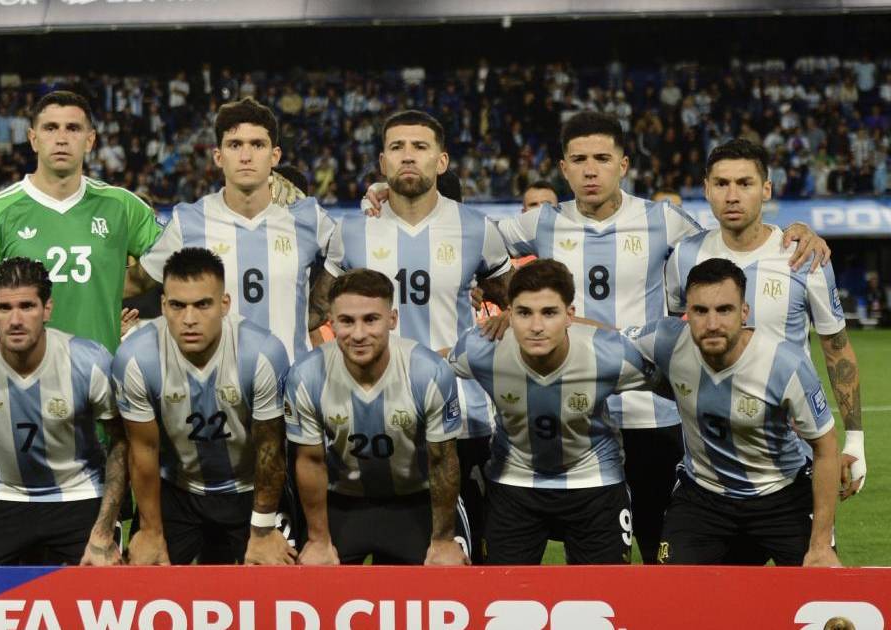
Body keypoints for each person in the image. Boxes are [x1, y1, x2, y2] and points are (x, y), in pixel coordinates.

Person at [489, 111, 830, 564]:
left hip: (651, 412)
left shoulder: (663, 220)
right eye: (579, 160)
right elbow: (476, 245)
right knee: (594, 550)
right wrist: (502, 298)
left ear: (623, 165)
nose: (591, 170)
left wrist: (795, 233)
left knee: (658, 551)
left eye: (602, 158)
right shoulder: (539, 223)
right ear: (563, 167)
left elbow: (730, 241)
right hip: (576, 412)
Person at [323, 110, 514, 562]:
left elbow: (516, 302)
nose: (408, 156)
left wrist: (502, 320)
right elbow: (315, 310)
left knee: (463, 562)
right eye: (397, 147)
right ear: (382, 162)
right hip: (368, 420)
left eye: (420, 147)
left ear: (441, 161)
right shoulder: (351, 231)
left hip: (463, 417)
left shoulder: (477, 229)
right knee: (383, 557)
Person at [665, 139, 865, 499]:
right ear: (706, 189)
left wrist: (855, 440)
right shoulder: (684, 257)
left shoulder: (804, 257)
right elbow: (672, 341)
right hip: (711, 454)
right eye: (721, 184)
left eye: (745, 183)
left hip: (794, 449)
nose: (732, 196)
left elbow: (836, 350)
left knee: (811, 538)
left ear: (766, 189)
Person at [629, 258, 841, 567]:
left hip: (780, 495)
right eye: (700, 311)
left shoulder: (785, 364)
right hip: (703, 496)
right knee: (670, 588)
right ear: (686, 313)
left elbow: (826, 446)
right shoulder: (666, 341)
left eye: (724, 310)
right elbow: (605, 341)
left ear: (745, 312)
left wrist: (820, 543)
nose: (712, 323)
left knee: (822, 587)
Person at [449, 259, 663, 564]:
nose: (536, 327)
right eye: (524, 313)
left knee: (604, 592)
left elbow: (673, 382)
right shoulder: (481, 349)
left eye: (549, 313)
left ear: (570, 315)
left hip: (595, 484)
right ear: (509, 313)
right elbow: (432, 368)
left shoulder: (609, 355)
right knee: (503, 592)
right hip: (514, 484)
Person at [0, 258, 126, 566]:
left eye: (27, 306)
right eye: (4, 308)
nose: (15, 320)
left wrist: (103, 532)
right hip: (3, 494)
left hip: (80, 493)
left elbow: (122, 441)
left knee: (102, 589)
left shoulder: (88, 361)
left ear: (47, 309)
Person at [114, 247, 294, 566]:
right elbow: (143, 450)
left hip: (251, 488)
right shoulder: (137, 358)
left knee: (280, 580)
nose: (189, 319)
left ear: (224, 304)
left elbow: (270, 449)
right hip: (177, 489)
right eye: (177, 305)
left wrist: (263, 529)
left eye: (202, 305)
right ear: (163, 305)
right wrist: (151, 531)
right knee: (144, 579)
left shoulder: (261, 353)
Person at [0, 90, 164, 354]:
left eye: (73, 128)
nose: (61, 138)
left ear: (90, 140)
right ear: (33, 139)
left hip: (101, 369)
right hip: (23, 371)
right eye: (50, 128)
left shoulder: (123, 206)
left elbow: (177, 264)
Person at [127, 97, 339, 362]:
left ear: (275, 156)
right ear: (218, 156)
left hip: (291, 382)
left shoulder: (309, 217)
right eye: (235, 145)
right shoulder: (189, 221)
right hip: (215, 383)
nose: (246, 156)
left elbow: (355, 251)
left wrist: (317, 309)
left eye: (257, 145)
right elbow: (136, 282)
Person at [286, 269, 468, 565]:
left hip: (418, 500)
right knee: (312, 578)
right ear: (331, 322)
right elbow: (310, 461)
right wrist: (319, 540)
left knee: (449, 576)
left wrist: (443, 540)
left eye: (371, 319)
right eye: (347, 321)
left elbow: (443, 461)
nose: (358, 334)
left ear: (392, 319)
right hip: (342, 502)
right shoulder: (306, 376)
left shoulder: (428, 372)